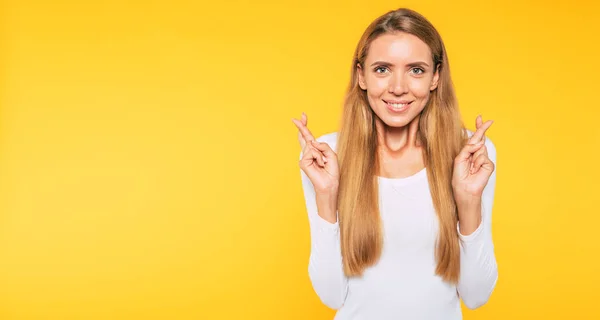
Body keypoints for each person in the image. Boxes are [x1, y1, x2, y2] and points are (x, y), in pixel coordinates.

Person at [291, 7, 498, 320]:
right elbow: (331, 295)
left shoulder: (469, 153)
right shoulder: (328, 153)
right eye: (382, 69)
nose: (398, 87)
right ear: (361, 75)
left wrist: (468, 202)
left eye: (416, 70)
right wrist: (326, 194)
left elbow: (477, 295)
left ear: (435, 77)